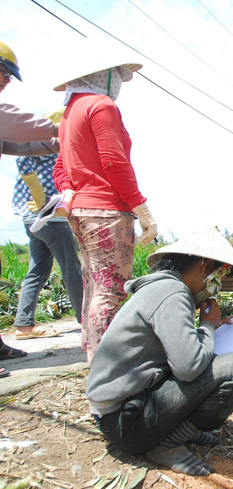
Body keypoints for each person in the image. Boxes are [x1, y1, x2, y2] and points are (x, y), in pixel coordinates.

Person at [85, 227, 233, 476]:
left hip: (125, 411)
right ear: (206, 266)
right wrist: (207, 326)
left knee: (226, 357)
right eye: (220, 275)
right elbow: (188, 367)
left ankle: (178, 430)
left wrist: (208, 328)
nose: (218, 285)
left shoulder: (166, 289)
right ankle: (167, 444)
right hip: (125, 421)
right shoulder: (172, 292)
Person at [52, 53, 158, 362]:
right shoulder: (102, 106)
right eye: (117, 75)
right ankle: (107, 368)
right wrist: (142, 208)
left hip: (82, 212)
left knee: (94, 287)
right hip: (107, 210)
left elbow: (60, 168)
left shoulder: (70, 113)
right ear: (104, 75)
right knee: (111, 291)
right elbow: (114, 160)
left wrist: (70, 190)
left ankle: (92, 354)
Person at [0, 40, 62, 373]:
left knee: (34, 269)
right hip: (42, 215)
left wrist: (54, 140)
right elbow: (16, 124)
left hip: (38, 214)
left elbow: (15, 145)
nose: (6, 81)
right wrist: (59, 129)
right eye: (4, 73)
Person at [11, 154, 84, 340]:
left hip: (31, 218)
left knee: (36, 272)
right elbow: (22, 161)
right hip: (50, 217)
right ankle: (85, 320)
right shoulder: (45, 141)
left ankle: (24, 325)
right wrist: (40, 197)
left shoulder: (41, 142)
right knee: (71, 269)